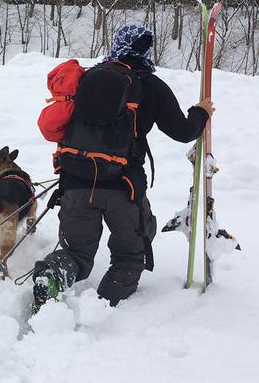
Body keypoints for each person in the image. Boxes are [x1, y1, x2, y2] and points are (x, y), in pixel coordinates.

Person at [33, 23, 214, 309]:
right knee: (130, 255)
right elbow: (183, 131)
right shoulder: (150, 86)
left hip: (75, 183)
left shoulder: (86, 78)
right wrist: (201, 113)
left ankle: (52, 277)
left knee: (77, 253)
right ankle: (104, 308)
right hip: (123, 188)